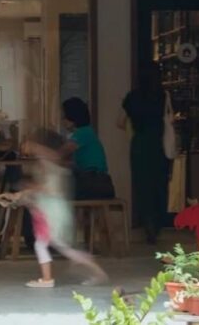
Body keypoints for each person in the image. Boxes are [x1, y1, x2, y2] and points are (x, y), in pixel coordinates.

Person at [23, 128, 108, 289]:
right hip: (53, 210)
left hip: (51, 212)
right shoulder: (52, 163)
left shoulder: (48, 163)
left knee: (46, 245)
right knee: (61, 246)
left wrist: (31, 189)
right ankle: (95, 271)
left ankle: (47, 279)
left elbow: (50, 189)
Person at [119, 62, 171, 244]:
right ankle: (158, 223)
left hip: (139, 144)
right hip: (158, 144)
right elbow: (170, 118)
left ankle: (147, 222)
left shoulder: (132, 97)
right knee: (159, 184)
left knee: (142, 186)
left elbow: (119, 121)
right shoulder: (163, 96)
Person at [61, 97, 115, 200]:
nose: (62, 120)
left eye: (63, 116)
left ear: (71, 118)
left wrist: (35, 148)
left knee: (58, 192)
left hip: (94, 183)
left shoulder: (82, 133)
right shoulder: (87, 132)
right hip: (101, 183)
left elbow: (59, 154)